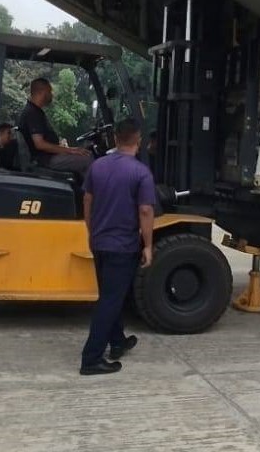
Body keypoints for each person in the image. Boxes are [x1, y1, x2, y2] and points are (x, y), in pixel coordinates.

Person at [79, 119, 156, 376]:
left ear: (115, 140)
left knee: (112, 296)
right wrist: (148, 245)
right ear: (138, 141)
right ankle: (91, 359)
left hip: (100, 242)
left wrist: (92, 232)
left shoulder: (97, 166)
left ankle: (118, 341)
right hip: (122, 246)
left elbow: (87, 201)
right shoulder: (141, 172)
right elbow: (145, 210)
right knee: (110, 301)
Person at [17, 77, 92, 174]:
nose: (52, 95)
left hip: (47, 157)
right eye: (50, 91)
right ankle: (89, 189)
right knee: (88, 160)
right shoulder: (32, 113)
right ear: (42, 92)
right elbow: (40, 144)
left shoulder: (35, 111)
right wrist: (70, 150)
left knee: (84, 154)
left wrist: (67, 149)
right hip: (45, 159)